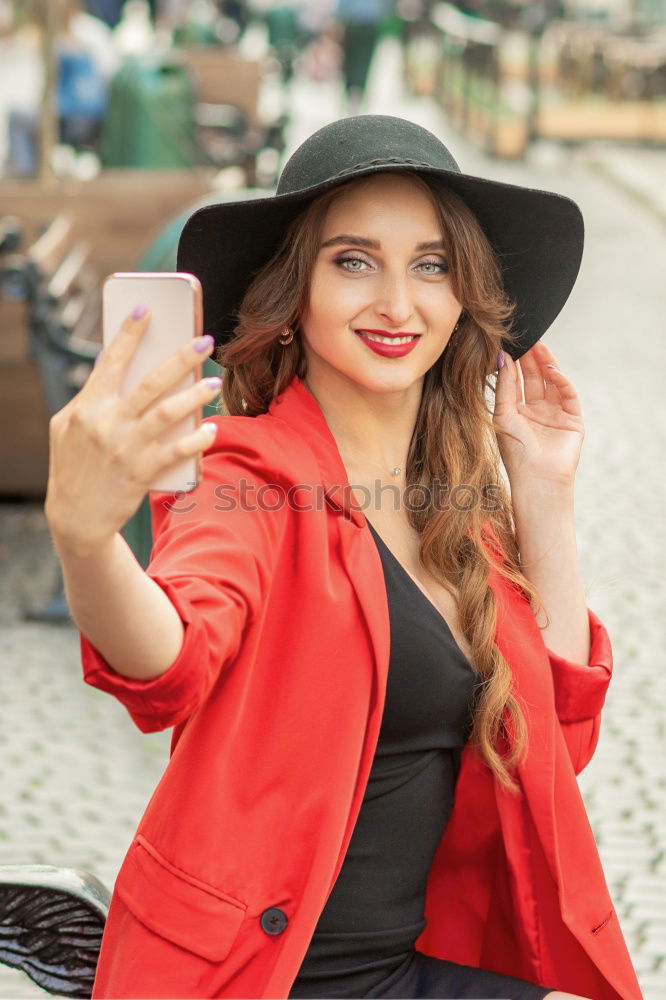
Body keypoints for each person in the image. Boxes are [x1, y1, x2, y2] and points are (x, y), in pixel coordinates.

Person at [44, 115, 642, 1000]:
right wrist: (85, 538)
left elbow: (550, 743)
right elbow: (169, 657)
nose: (397, 303)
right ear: (298, 294)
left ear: (461, 297)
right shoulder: (246, 471)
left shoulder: (453, 504)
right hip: (269, 978)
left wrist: (544, 492)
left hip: (415, 966)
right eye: (354, 261)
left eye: (430, 265)